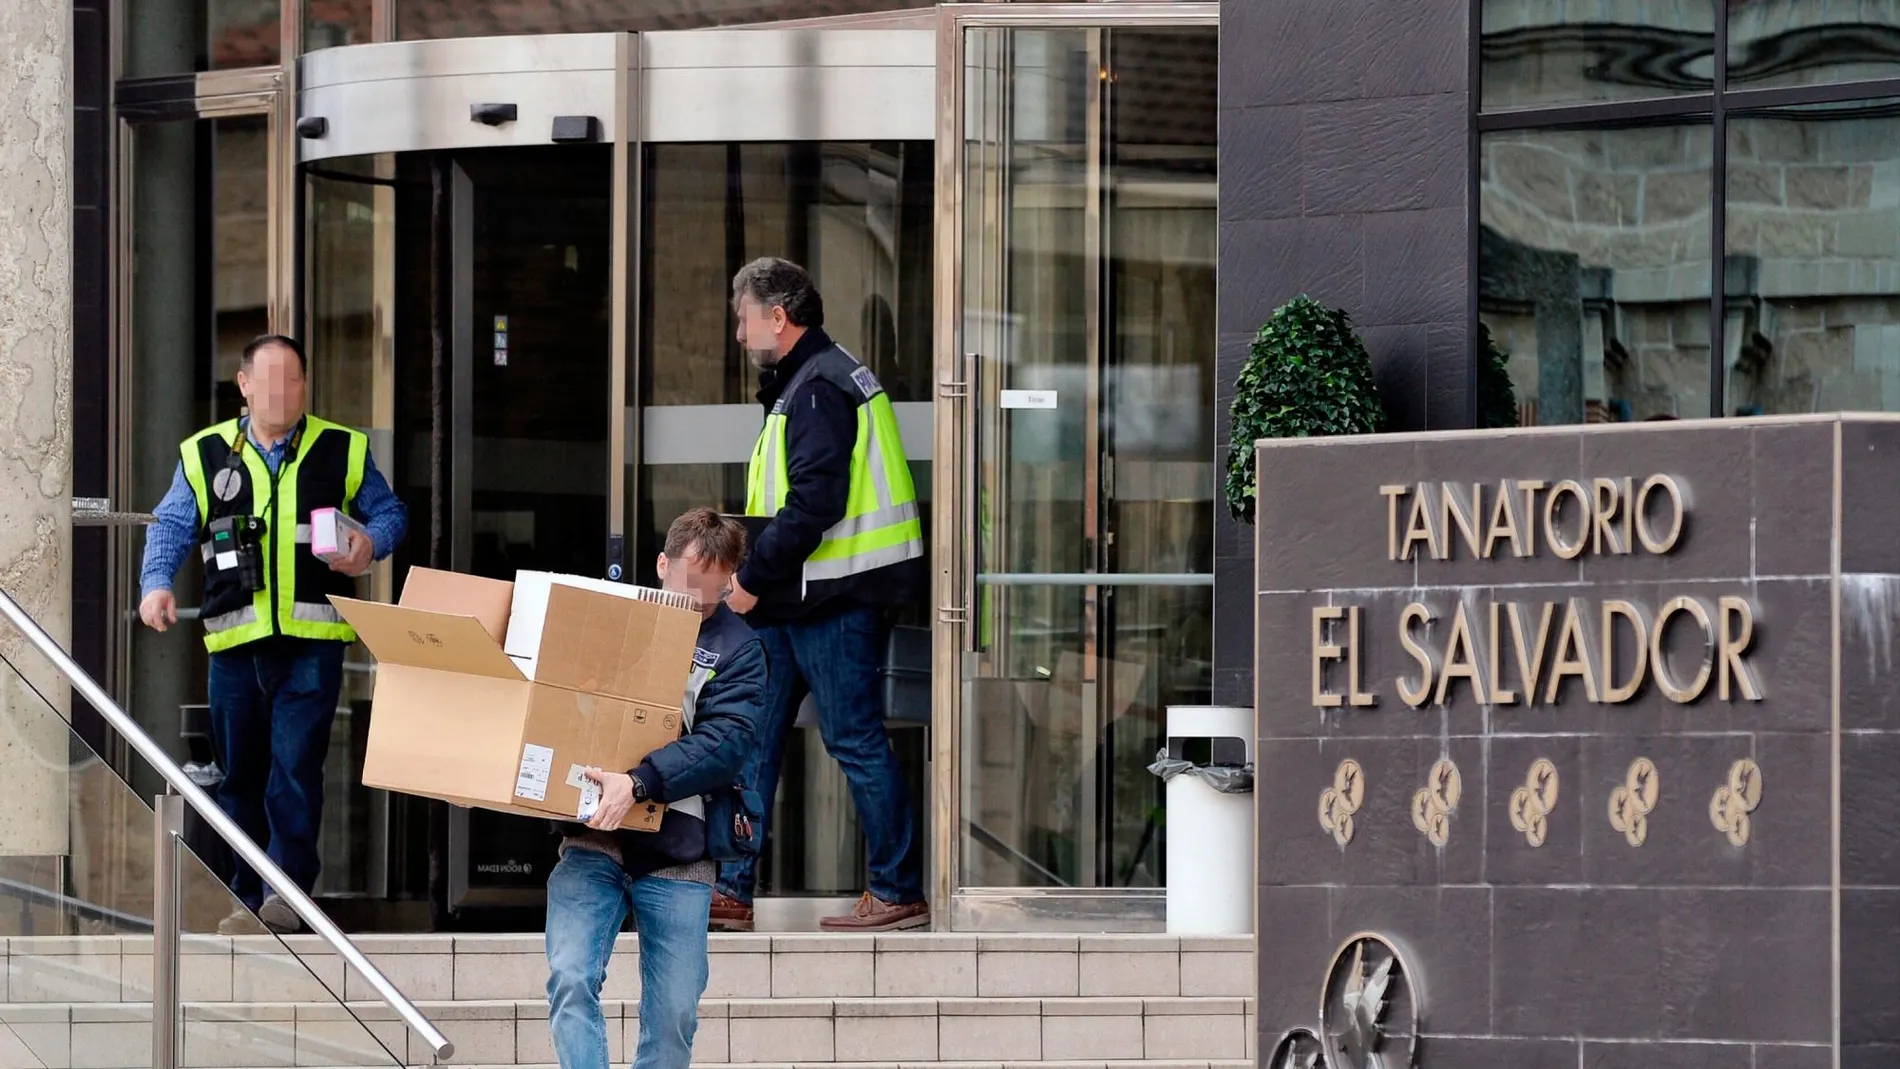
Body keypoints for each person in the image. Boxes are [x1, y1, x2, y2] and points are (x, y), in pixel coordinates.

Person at [137, 334, 407, 934]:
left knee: (295, 770)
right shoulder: (206, 453)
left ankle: (285, 897)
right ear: (244, 384)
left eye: (292, 380)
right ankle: (245, 897)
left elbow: (390, 514)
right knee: (240, 777)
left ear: (305, 387)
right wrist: (156, 583)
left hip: (312, 644)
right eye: (268, 380)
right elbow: (173, 525)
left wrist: (370, 543)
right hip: (234, 647)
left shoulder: (342, 448)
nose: (280, 391)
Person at [713, 256, 929, 933]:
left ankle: (896, 890)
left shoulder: (816, 388)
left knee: (854, 740)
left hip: (829, 600)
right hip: (800, 599)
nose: (741, 335)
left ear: (777, 316)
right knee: (751, 738)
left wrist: (747, 581)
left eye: (744, 320)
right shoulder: (814, 378)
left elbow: (813, 505)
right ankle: (733, 889)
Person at [545, 509, 766, 1069]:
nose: (696, 600)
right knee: (570, 978)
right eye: (688, 582)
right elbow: (550, 699)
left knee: (673, 1018)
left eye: (712, 589)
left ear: (730, 580)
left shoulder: (739, 649)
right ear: (663, 564)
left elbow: (727, 742)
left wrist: (639, 782)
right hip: (593, 835)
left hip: (679, 848)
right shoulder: (612, 622)